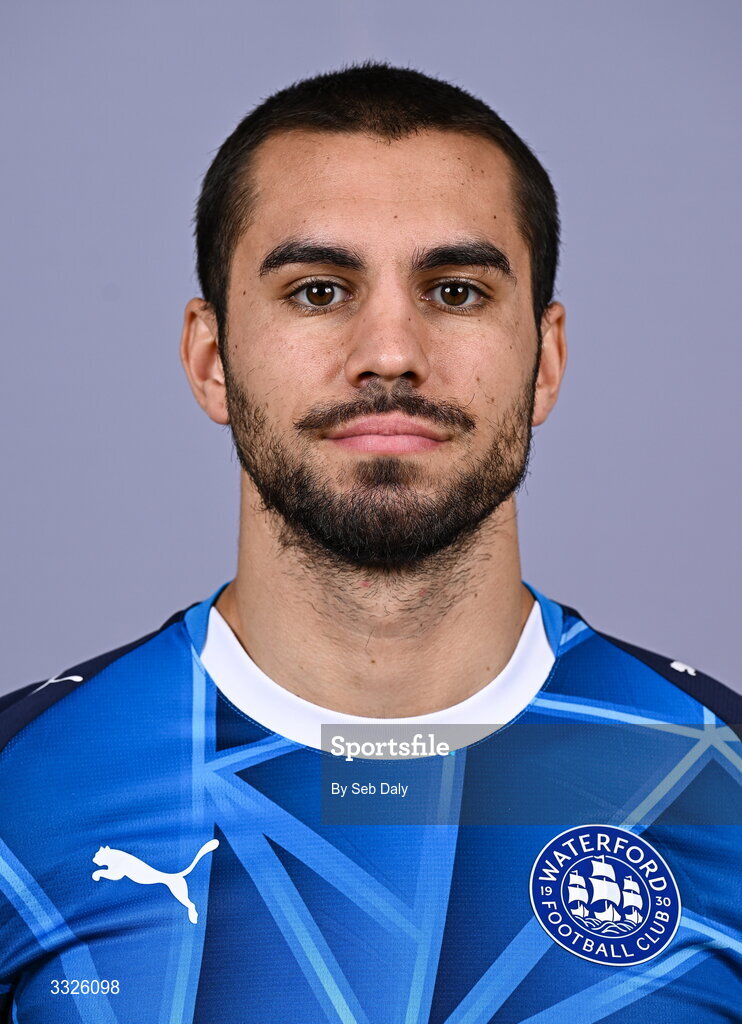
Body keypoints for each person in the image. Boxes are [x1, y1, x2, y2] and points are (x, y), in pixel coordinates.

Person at [0, 60, 739, 1023]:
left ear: (546, 360)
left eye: (458, 291)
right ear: (211, 357)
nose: (390, 352)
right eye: (317, 291)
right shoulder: (24, 787)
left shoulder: (717, 776)